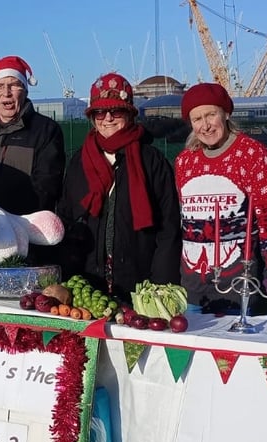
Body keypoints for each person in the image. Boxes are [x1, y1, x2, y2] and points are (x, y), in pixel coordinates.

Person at [175, 82, 267, 317]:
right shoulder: (185, 162)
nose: (205, 126)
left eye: (211, 115)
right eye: (197, 119)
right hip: (193, 283)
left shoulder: (253, 155)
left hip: (236, 281)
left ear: (225, 114)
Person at [56, 73, 182, 300]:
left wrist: (161, 286)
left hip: (139, 284)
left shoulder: (151, 160)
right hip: (87, 285)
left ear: (130, 114)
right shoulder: (79, 161)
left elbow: (168, 227)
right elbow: (67, 217)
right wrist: (68, 276)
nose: (108, 118)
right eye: (100, 112)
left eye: (116, 111)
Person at [0, 55, 65, 217]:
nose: (6, 93)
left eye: (14, 85)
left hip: (24, 231)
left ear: (25, 89)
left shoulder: (46, 131)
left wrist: (10, 221)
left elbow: (46, 188)